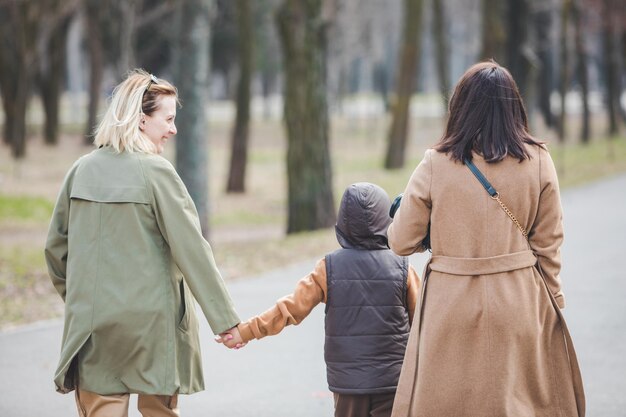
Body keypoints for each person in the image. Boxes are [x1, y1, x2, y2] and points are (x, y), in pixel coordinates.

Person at [386, 61, 585, 417]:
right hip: (520, 300)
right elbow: (549, 244)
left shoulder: (436, 163)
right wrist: (553, 300)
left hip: (450, 304)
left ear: (460, 106)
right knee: (518, 404)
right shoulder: (538, 159)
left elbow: (400, 241)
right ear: (514, 107)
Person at [44, 69, 241, 417]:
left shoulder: (81, 170)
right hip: (153, 328)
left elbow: (56, 249)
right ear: (140, 120)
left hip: (95, 327)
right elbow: (192, 250)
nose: (173, 128)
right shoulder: (157, 172)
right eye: (167, 119)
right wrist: (225, 320)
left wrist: (82, 301)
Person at [217, 182, 421, 417]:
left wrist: (245, 331)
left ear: (343, 223)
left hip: (348, 384)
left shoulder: (329, 268)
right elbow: (423, 322)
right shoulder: (403, 269)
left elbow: (289, 309)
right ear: (387, 221)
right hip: (393, 380)